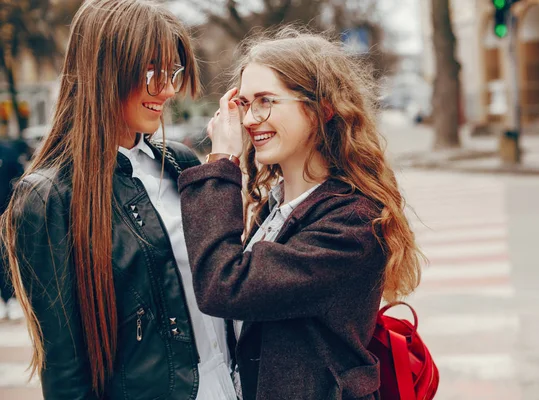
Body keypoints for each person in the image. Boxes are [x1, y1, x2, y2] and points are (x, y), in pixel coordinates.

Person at [0, 0, 236, 398]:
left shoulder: (179, 162)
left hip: (229, 383)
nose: (168, 89)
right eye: (152, 72)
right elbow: (65, 372)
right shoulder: (48, 197)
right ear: (105, 70)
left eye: (173, 72)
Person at [178, 28, 422, 400]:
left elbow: (222, 285)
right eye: (244, 103)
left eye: (265, 101)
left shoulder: (352, 222)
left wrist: (220, 162)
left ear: (322, 108)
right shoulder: (276, 209)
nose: (248, 120)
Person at [0, 138, 27, 321]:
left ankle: (12, 299)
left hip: (4, 216)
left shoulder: (7, 152)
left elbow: (19, 182)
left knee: (6, 258)